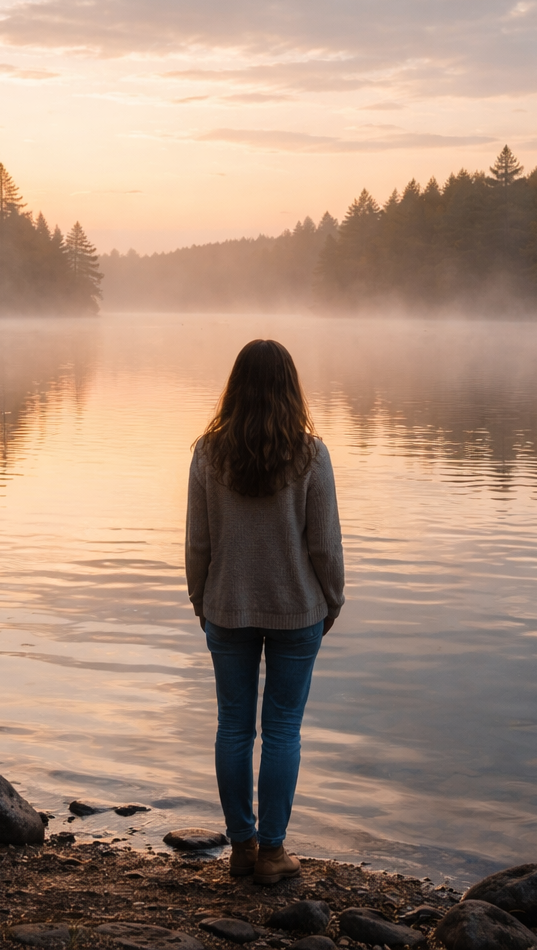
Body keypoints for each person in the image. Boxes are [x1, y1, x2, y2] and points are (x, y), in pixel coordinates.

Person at [185, 339, 345, 885]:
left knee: (234, 726)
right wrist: (334, 598)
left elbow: (197, 542)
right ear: (290, 388)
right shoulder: (310, 454)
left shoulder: (208, 453)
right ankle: (273, 853)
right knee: (282, 730)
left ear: (235, 387)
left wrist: (199, 597)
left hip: (226, 607)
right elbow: (324, 544)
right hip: (296, 609)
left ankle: (240, 847)